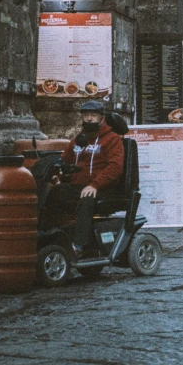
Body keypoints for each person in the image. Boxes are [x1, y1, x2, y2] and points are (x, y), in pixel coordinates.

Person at [44, 100, 124, 258]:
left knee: (86, 199)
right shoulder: (78, 140)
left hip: (103, 188)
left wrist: (95, 185)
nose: (89, 119)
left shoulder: (112, 139)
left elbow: (115, 168)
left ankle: (78, 246)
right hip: (78, 186)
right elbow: (64, 160)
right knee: (52, 195)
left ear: (102, 118)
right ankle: (52, 239)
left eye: (93, 115)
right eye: (86, 115)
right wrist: (56, 175)